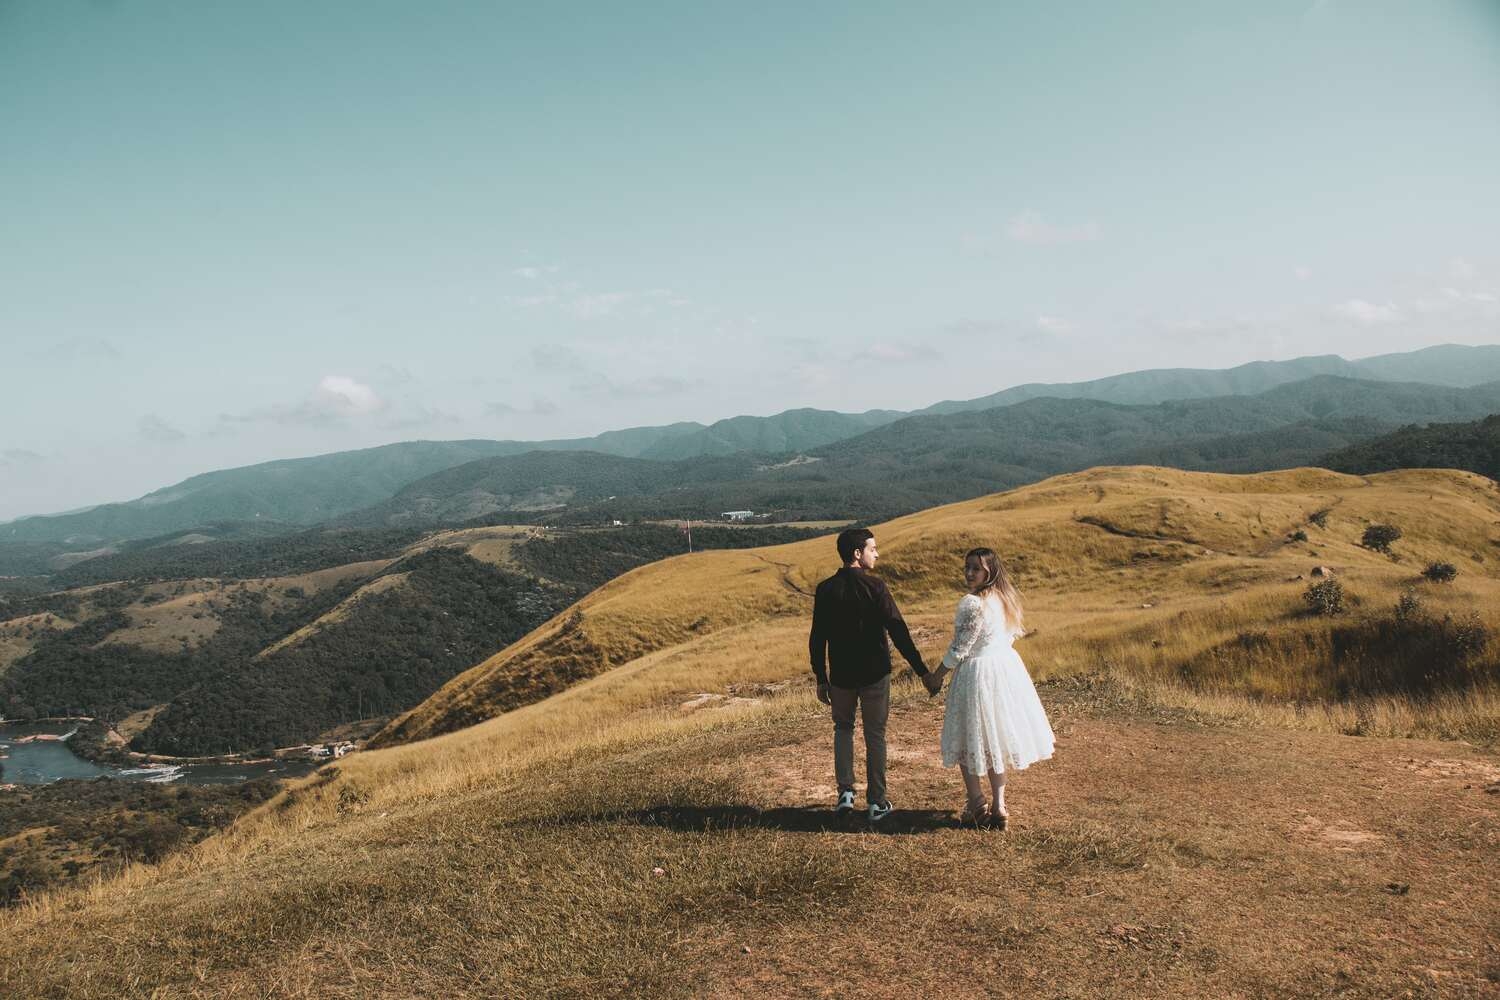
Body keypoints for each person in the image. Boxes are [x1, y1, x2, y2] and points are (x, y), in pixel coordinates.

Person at [808, 527, 938, 823]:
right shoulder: (876, 587)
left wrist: (820, 677)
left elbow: (818, 638)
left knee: (843, 729)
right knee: (875, 735)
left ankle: (845, 793)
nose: (877, 553)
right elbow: (898, 631)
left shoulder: (825, 589)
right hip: (875, 674)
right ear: (857, 553)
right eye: (873, 548)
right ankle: (877, 802)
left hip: (840, 675)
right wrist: (921, 671)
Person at [927, 547, 1054, 828]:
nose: (969, 573)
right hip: (1003, 669)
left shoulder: (973, 603)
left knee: (967, 736)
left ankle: (977, 802)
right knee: (994, 737)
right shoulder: (1004, 599)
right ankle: (999, 804)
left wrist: (937, 676)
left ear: (989, 571)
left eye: (976, 568)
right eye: (967, 567)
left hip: (977, 673)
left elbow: (960, 648)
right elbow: (1008, 637)